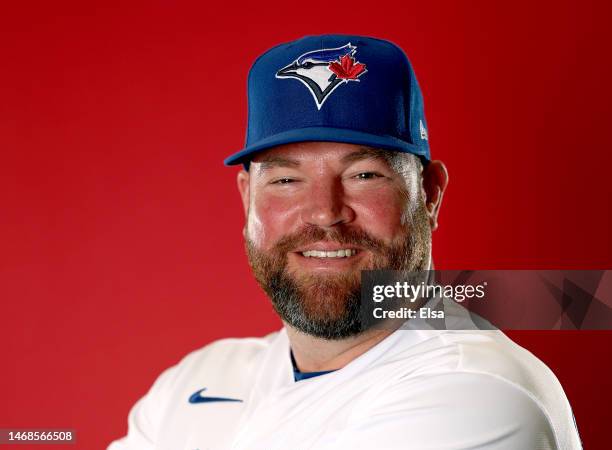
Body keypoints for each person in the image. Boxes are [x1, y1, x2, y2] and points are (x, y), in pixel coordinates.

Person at [108, 34, 582, 450]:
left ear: (431, 196)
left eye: (364, 174)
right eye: (286, 180)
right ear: (247, 200)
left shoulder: (478, 391)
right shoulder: (197, 378)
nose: (325, 212)